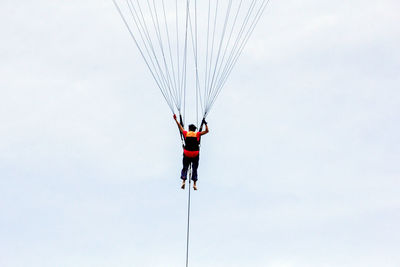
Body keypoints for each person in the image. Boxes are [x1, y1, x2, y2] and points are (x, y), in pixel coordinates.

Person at [173, 114, 209, 190]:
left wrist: (175, 119)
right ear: (194, 129)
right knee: (195, 168)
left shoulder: (186, 133)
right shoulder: (197, 134)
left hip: (187, 153)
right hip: (195, 154)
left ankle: (183, 181)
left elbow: (179, 126)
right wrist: (205, 123)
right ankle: (195, 184)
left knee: (185, 167)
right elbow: (207, 131)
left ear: (189, 129)